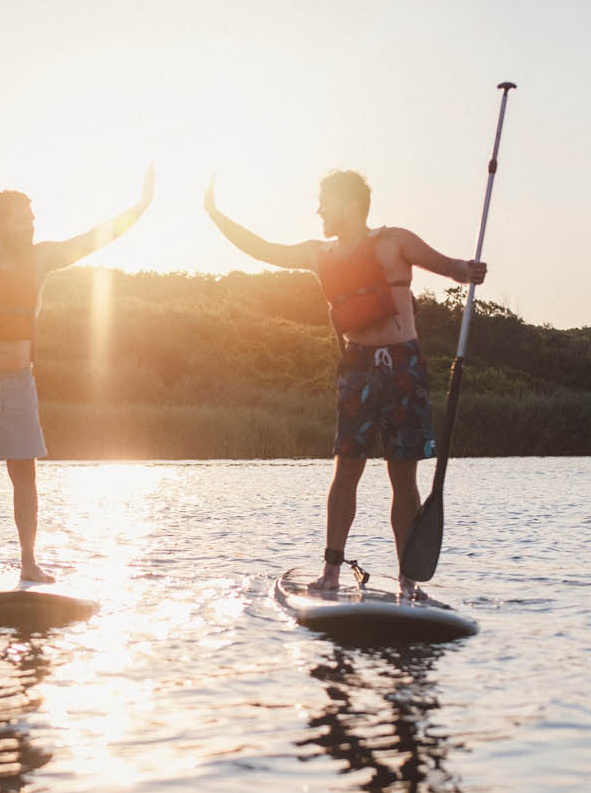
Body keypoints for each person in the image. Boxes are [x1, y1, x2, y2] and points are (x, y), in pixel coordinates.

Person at [203, 169, 485, 594]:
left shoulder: (396, 241)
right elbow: (261, 249)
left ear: (349, 204)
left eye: (325, 201)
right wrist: (215, 214)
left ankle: (408, 580)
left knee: (402, 476)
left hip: (403, 368)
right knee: (347, 467)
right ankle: (331, 572)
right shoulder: (319, 253)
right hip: (357, 367)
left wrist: (470, 270)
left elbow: (451, 269)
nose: (318, 209)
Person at [0, 166, 155, 582]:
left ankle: (29, 562)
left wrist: (140, 207)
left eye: (32, 217)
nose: (31, 224)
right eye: (23, 218)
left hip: (19, 382)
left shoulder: (41, 258)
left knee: (24, 472)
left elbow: (93, 239)